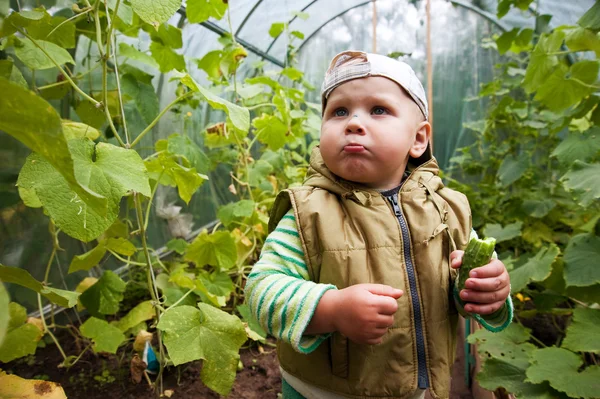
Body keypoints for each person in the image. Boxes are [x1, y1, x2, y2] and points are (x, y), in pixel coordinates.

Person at [244, 50, 512, 399]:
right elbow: (261, 291)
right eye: (339, 111)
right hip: (321, 392)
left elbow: (464, 295)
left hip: (421, 388)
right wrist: (331, 310)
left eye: (378, 110)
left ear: (418, 139)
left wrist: (488, 291)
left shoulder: (448, 211)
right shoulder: (309, 212)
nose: (354, 122)